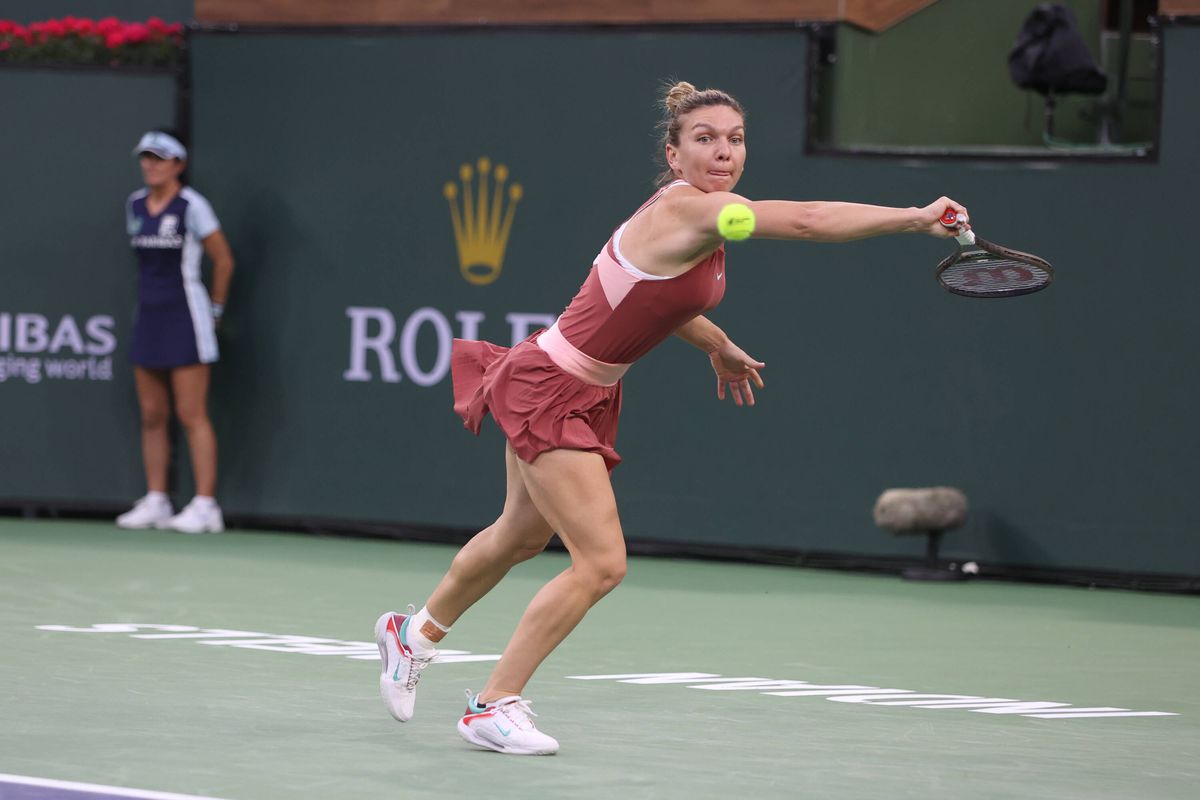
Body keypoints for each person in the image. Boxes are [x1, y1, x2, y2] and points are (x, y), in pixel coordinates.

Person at [374, 81, 969, 755]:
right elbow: (806, 220)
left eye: (735, 139)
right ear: (674, 153)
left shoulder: (703, 215)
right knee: (601, 564)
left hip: (581, 386)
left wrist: (717, 346)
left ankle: (412, 634)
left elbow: (658, 301)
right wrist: (916, 218)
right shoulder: (690, 213)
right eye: (705, 139)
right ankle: (492, 705)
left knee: (518, 536)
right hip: (551, 385)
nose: (723, 152)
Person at [115, 130, 235, 534]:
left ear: (178, 165)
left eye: (160, 158)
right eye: (146, 157)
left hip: (187, 316)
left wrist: (215, 310)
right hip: (148, 316)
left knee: (191, 413)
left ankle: (205, 506)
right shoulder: (134, 204)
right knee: (152, 414)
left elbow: (223, 260)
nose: (151, 164)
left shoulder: (192, 206)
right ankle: (156, 499)